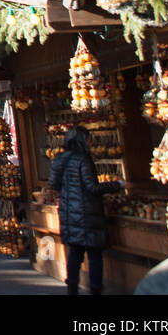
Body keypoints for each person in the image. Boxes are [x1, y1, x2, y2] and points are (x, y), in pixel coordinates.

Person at [50, 124, 125, 295]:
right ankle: (95, 289)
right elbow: (92, 187)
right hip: (87, 212)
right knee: (94, 255)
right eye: (89, 139)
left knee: (75, 253)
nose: (90, 142)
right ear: (83, 140)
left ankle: (72, 289)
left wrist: (69, 191)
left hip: (68, 211)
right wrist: (117, 185)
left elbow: (54, 184)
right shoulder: (83, 159)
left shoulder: (59, 159)